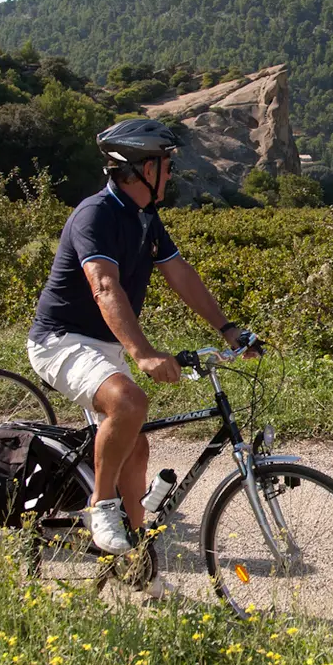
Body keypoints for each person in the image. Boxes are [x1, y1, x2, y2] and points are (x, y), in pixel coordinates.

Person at [27, 118, 250, 555]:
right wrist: (143, 353)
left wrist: (228, 329)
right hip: (61, 339)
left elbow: (180, 274)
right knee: (129, 402)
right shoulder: (97, 214)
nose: (171, 171)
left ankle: (132, 555)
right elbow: (104, 287)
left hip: (101, 343)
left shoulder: (145, 217)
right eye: (166, 163)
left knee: (137, 446)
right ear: (144, 168)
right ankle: (100, 506)